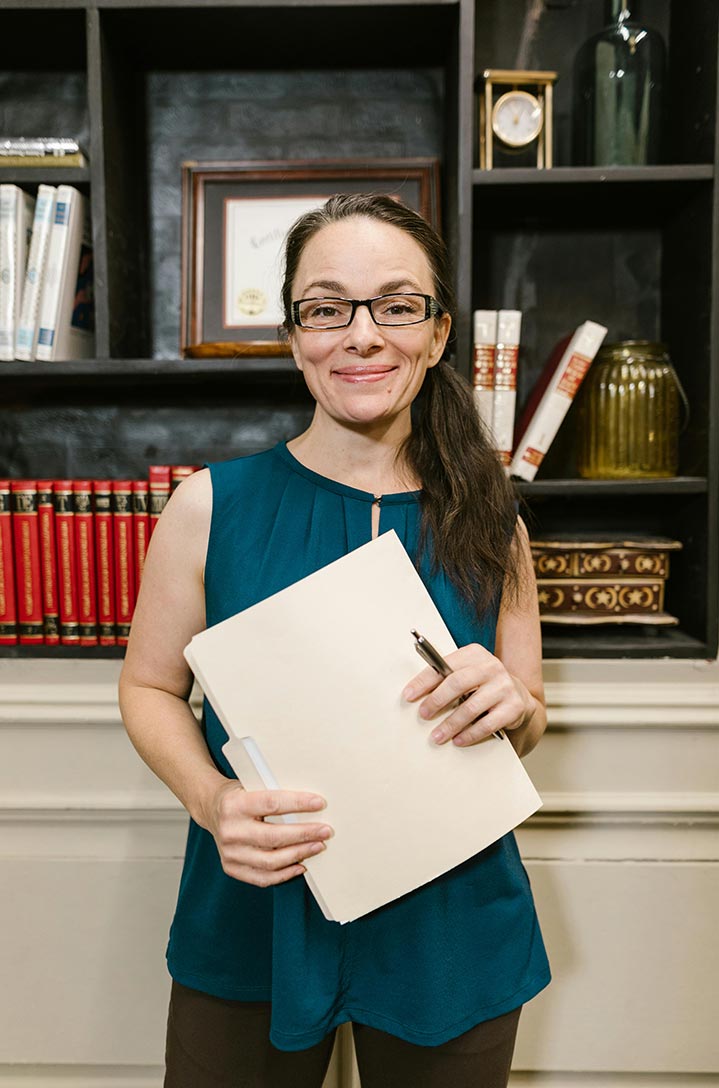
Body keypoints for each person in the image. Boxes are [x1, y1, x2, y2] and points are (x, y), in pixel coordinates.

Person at [119, 192, 550, 1088]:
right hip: (255, 908)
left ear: (436, 334)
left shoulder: (494, 520)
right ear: (293, 335)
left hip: (452, 922)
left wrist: (511, 707)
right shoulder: (207, 506)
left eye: (396, 306)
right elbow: (149, 687)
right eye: (326, 309)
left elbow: (529, 716)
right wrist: (211, 800)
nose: (362, 335)